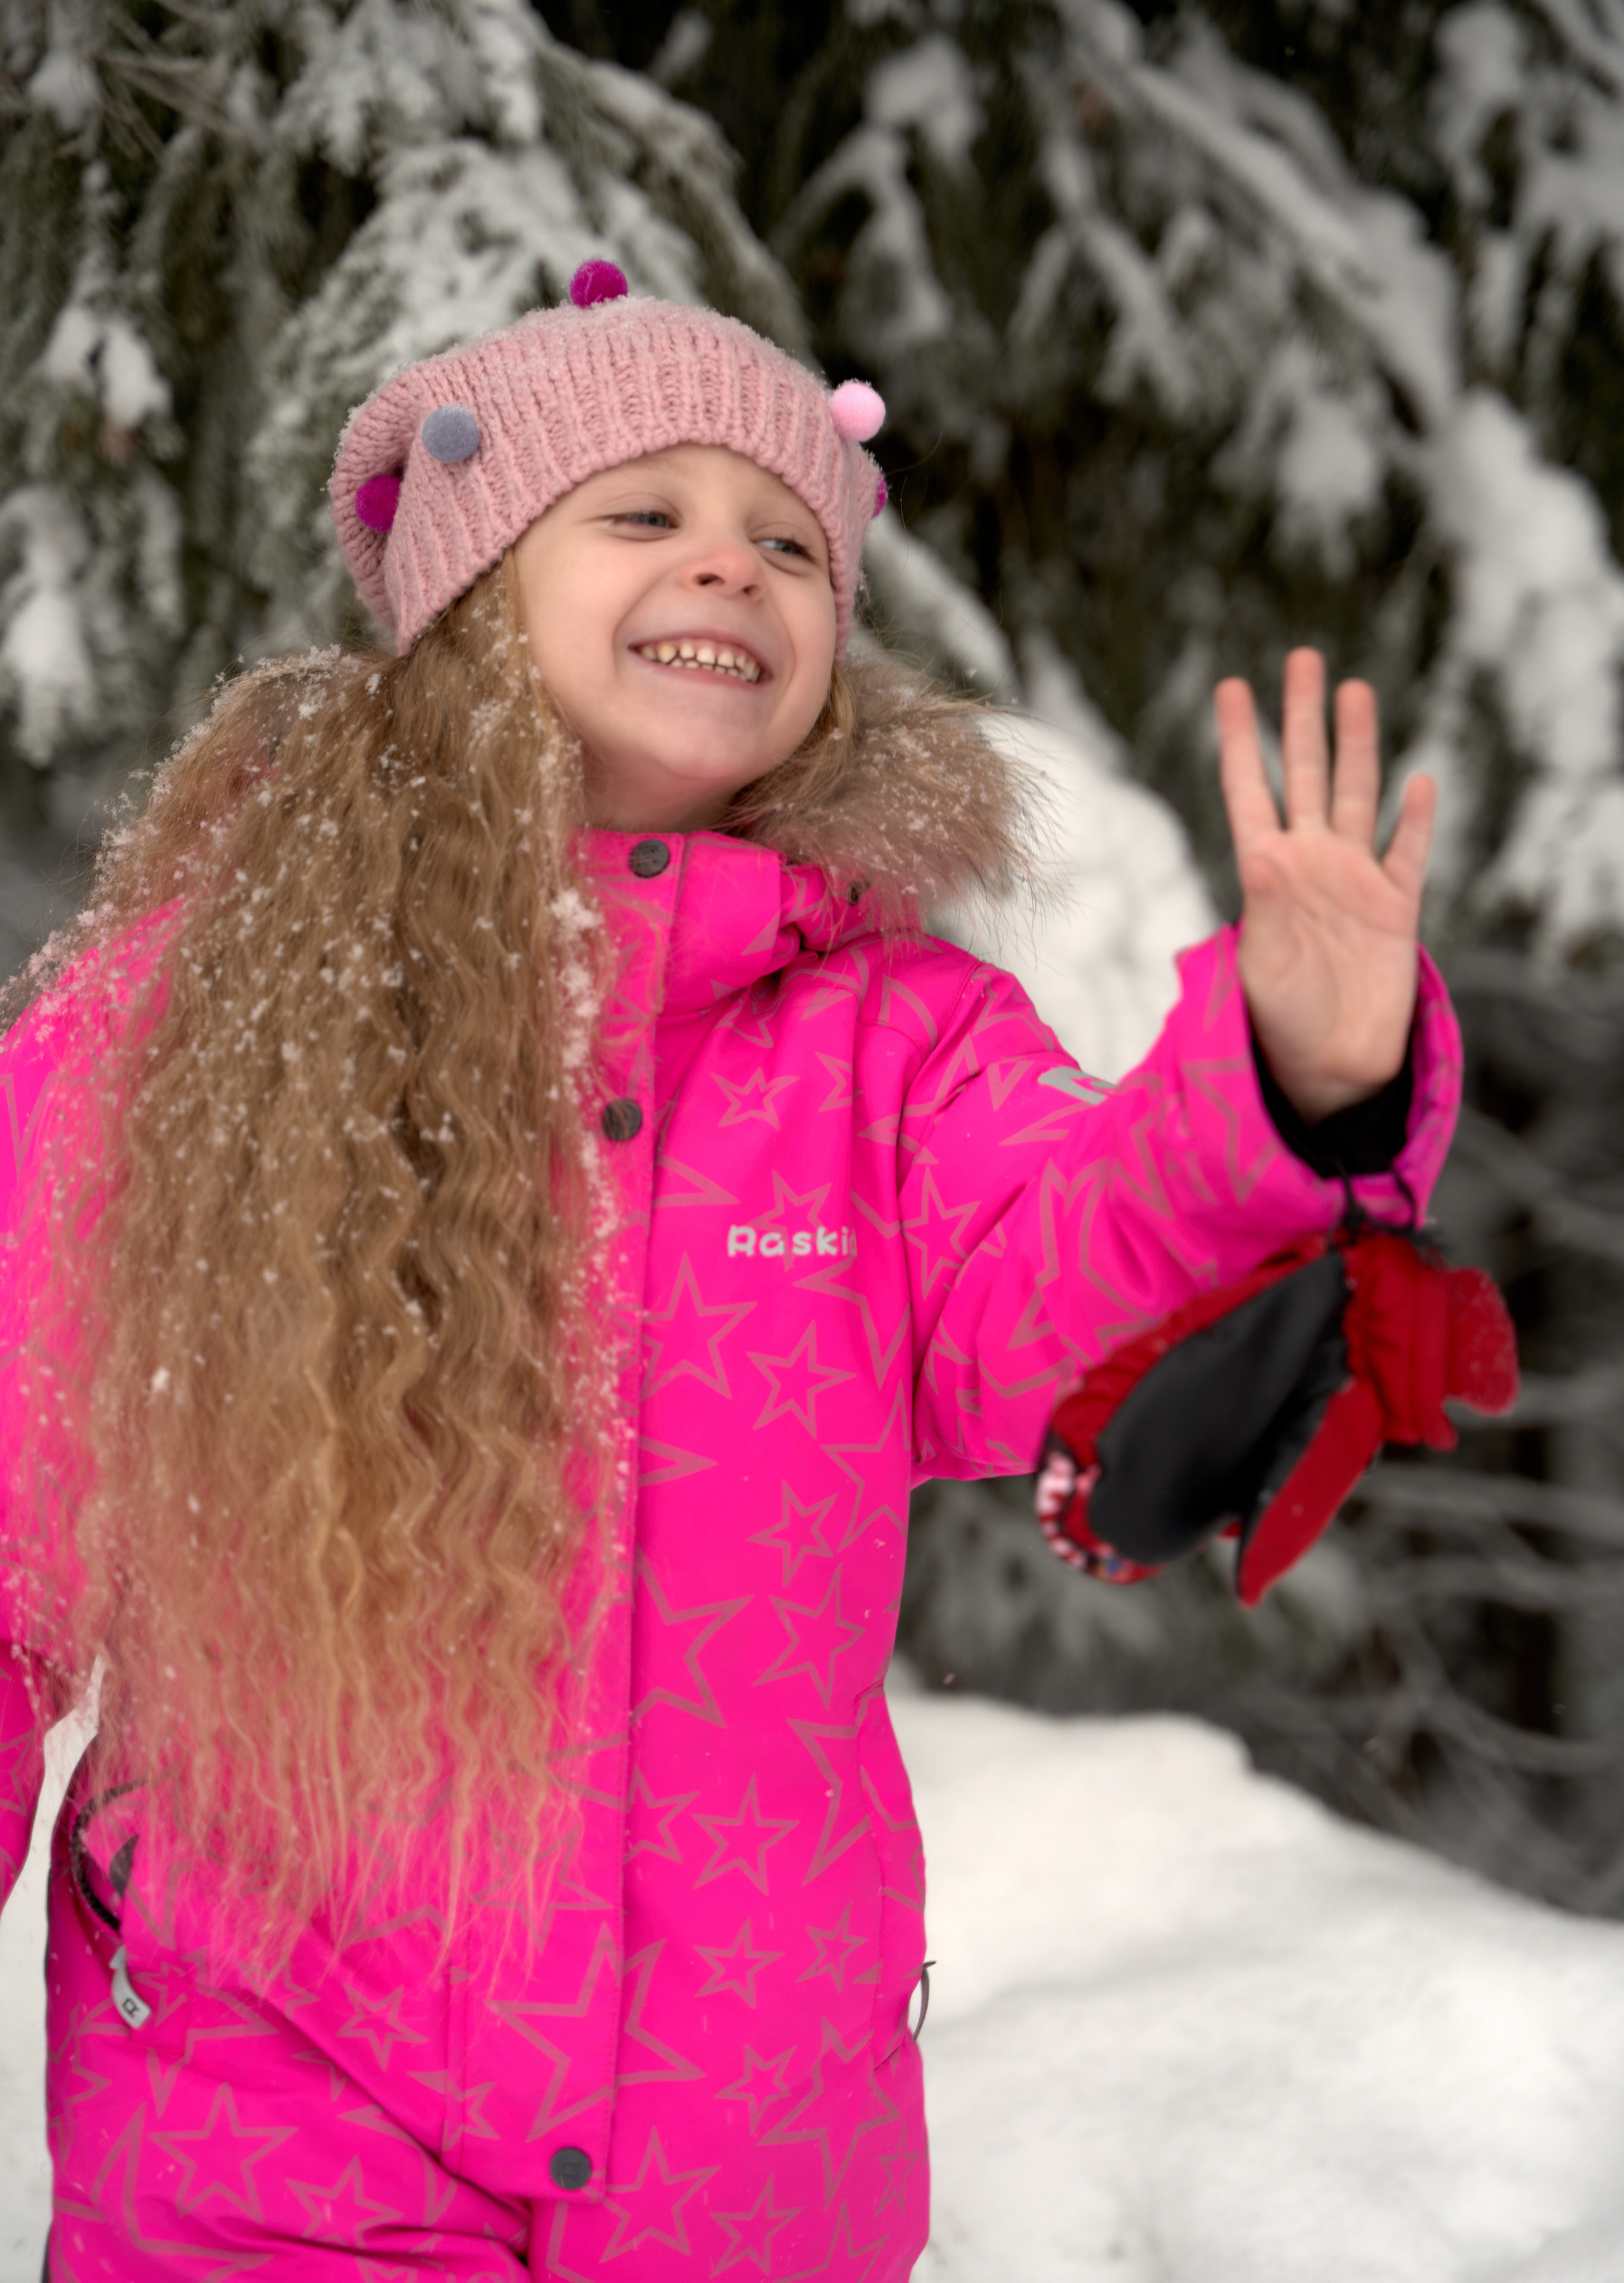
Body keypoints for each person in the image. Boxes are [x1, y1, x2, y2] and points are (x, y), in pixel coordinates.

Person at [0, 263, 1455, 2279]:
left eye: (789, 536)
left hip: (747, 2140)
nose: (734, 564)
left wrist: (1300, 1071)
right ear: (465, 591)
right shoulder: (186, 1023)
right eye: (642, 511)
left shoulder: (897, 1040)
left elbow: (1064, 1287)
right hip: (273, 2103)